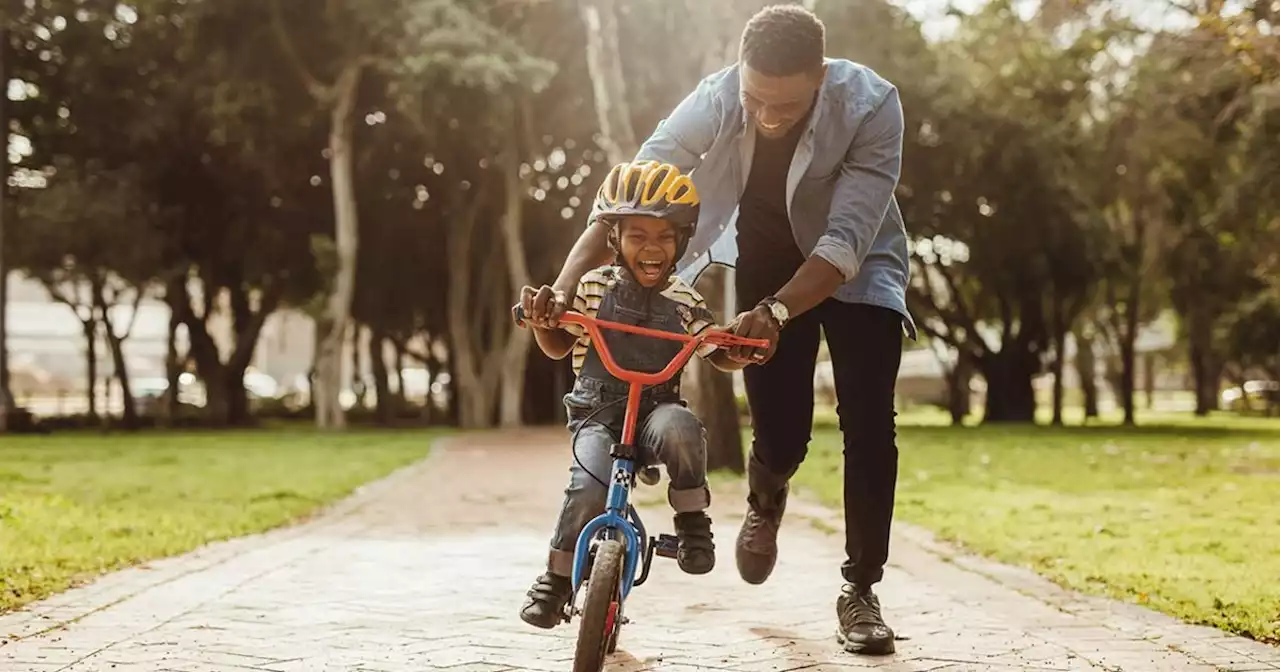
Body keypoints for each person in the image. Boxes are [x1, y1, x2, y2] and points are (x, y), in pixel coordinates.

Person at [522, 4, 915, 656]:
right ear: (741, 73)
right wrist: (563, 289)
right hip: (766, 257)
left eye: (786, 106)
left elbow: (845, 239)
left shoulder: (873, 106)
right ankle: (767, 495)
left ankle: (861, 589)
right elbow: (630, 197)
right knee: (782, 433)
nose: (766, 115)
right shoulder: (716, 97)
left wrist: (780, 312)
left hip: (858, 264)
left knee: (870, 422)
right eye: (756, 98)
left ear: (821, 76)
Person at [516, 160, 751, 630]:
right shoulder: (590, 286)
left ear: (681, 241)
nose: (652, 247)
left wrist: (738, 350)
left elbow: (713, 348)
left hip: (656, 411)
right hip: (597, 412)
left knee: (682, 429)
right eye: (637, 235)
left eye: (665, 236)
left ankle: (690, 521)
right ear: (614, 240)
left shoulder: (686, 300)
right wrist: (544, 323)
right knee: (588, 485)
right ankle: (556, 579)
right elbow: (560, 343)